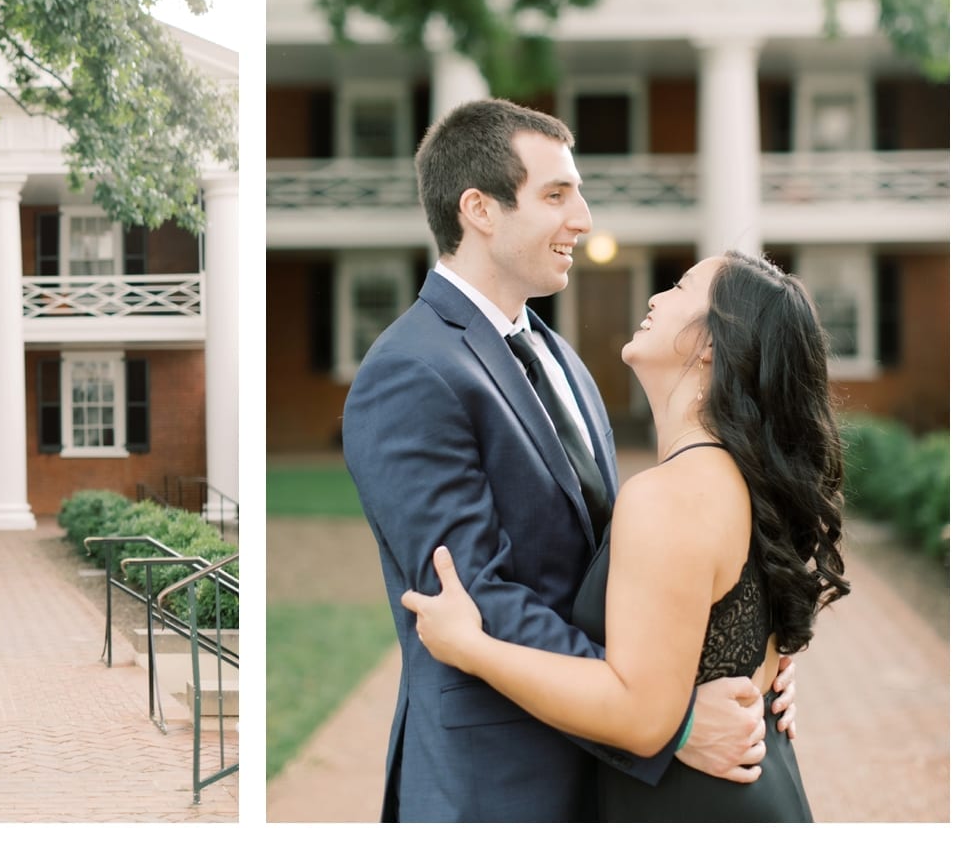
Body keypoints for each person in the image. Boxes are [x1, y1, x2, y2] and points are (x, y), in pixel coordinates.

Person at [340, 98, 797, 822]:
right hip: (495, 784)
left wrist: (739, 667)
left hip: (602, 776)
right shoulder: (410, 371)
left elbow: (630, 568)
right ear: (480, 209)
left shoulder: (564, 360)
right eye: (557, 194)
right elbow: (471, 596)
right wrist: (667, 717)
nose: (582, 218)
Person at [402, 251, 850, 821]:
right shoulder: (740, 477)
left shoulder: (671, 494)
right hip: (754, 784)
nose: (656, 298)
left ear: (711, 343)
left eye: (682, 288)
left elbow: (641, 720)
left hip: (697, 806)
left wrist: (471, 648)